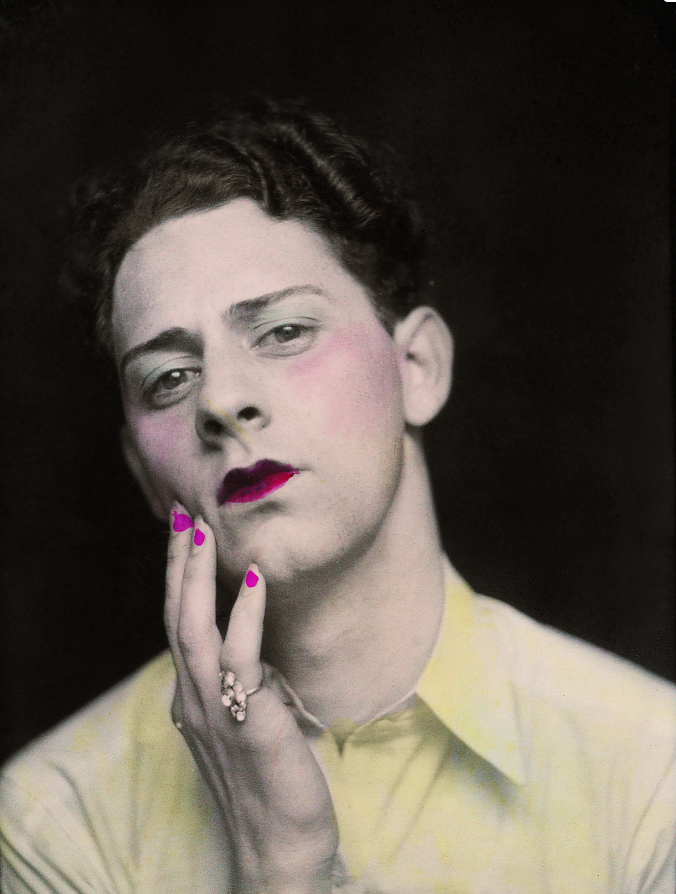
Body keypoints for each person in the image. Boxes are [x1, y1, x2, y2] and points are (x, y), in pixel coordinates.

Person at [0, 98, 674, 894]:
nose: (221, 400)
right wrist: (280, 868)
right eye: (169, 377)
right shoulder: (51, 820)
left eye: (284, 331)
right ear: (146, 474)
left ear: (417, 367)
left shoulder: (652, 774)